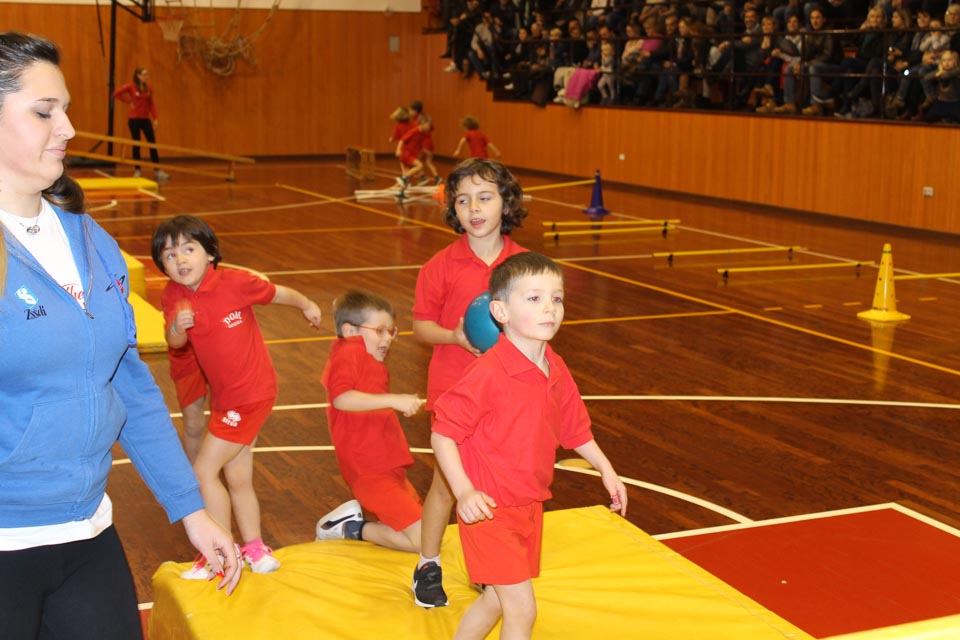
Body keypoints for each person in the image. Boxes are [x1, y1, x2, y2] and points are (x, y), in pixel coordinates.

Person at [0, 32, 240, 640]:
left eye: (66, 109)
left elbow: (129, 388)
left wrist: (191, 508)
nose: (68, 128)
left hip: (86, 532)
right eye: (44, 112)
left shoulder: (91, 240)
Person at [431, 252, 628, 640]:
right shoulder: (488, 373)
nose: (550, 308)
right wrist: (464, 491)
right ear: (501, 311)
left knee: (495, 600)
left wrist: (607, 470)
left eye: (557, 298)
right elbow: (443, 434)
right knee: (522, 610)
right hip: (490, 511)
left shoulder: (555, 366)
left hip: (529, 505)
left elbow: (575, 430)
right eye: (534, 298)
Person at [151, 215, 323, 575]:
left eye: (188, 249)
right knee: (238, 476)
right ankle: (255, 550)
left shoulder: (235, 283)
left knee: (203, 472)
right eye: (169, 255)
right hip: (226, 398)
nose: (180, 259)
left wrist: (307, 304)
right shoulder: (172, 295)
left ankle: (219, 554)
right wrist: (177, 327)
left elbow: (277, 293)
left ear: (210, 253)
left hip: (251, 394)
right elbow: (175, 343)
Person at [411, 158, 529, 608]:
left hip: (506, 394)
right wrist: (456, 337)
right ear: (453, 210)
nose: (474, 209)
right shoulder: (440, 266)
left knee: (493, 483)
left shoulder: (524, 266)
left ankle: (487, 564)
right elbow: (422, 326)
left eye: (484, 198)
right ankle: (427, 564)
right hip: (454, 391)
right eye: (463, 201)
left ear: (506, 204)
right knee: (447, 483)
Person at [314, 290, 426, 553]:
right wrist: (393, 400)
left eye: (391, 331)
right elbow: (341, 398)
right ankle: (348, 527)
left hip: (387, 466)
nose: (388, 338)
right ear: (350, 331)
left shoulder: (366, 359)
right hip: (371, 471)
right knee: (423, 540)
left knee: (426, 532)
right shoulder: (349, 352)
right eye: (380, 331)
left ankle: (358, 527)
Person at [112, 66, 170, 181]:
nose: (146, 77)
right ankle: (137, 170)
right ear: (138, 76)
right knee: (136, 144)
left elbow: (151, 104)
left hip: (145, 119)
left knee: (152, 143)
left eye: (147, 74)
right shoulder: (131, 86)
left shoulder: (149, 87)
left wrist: (155, 118)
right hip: (134, 120)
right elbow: (116, 94)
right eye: (144, 74)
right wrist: (128, 101)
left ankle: (157, 170)